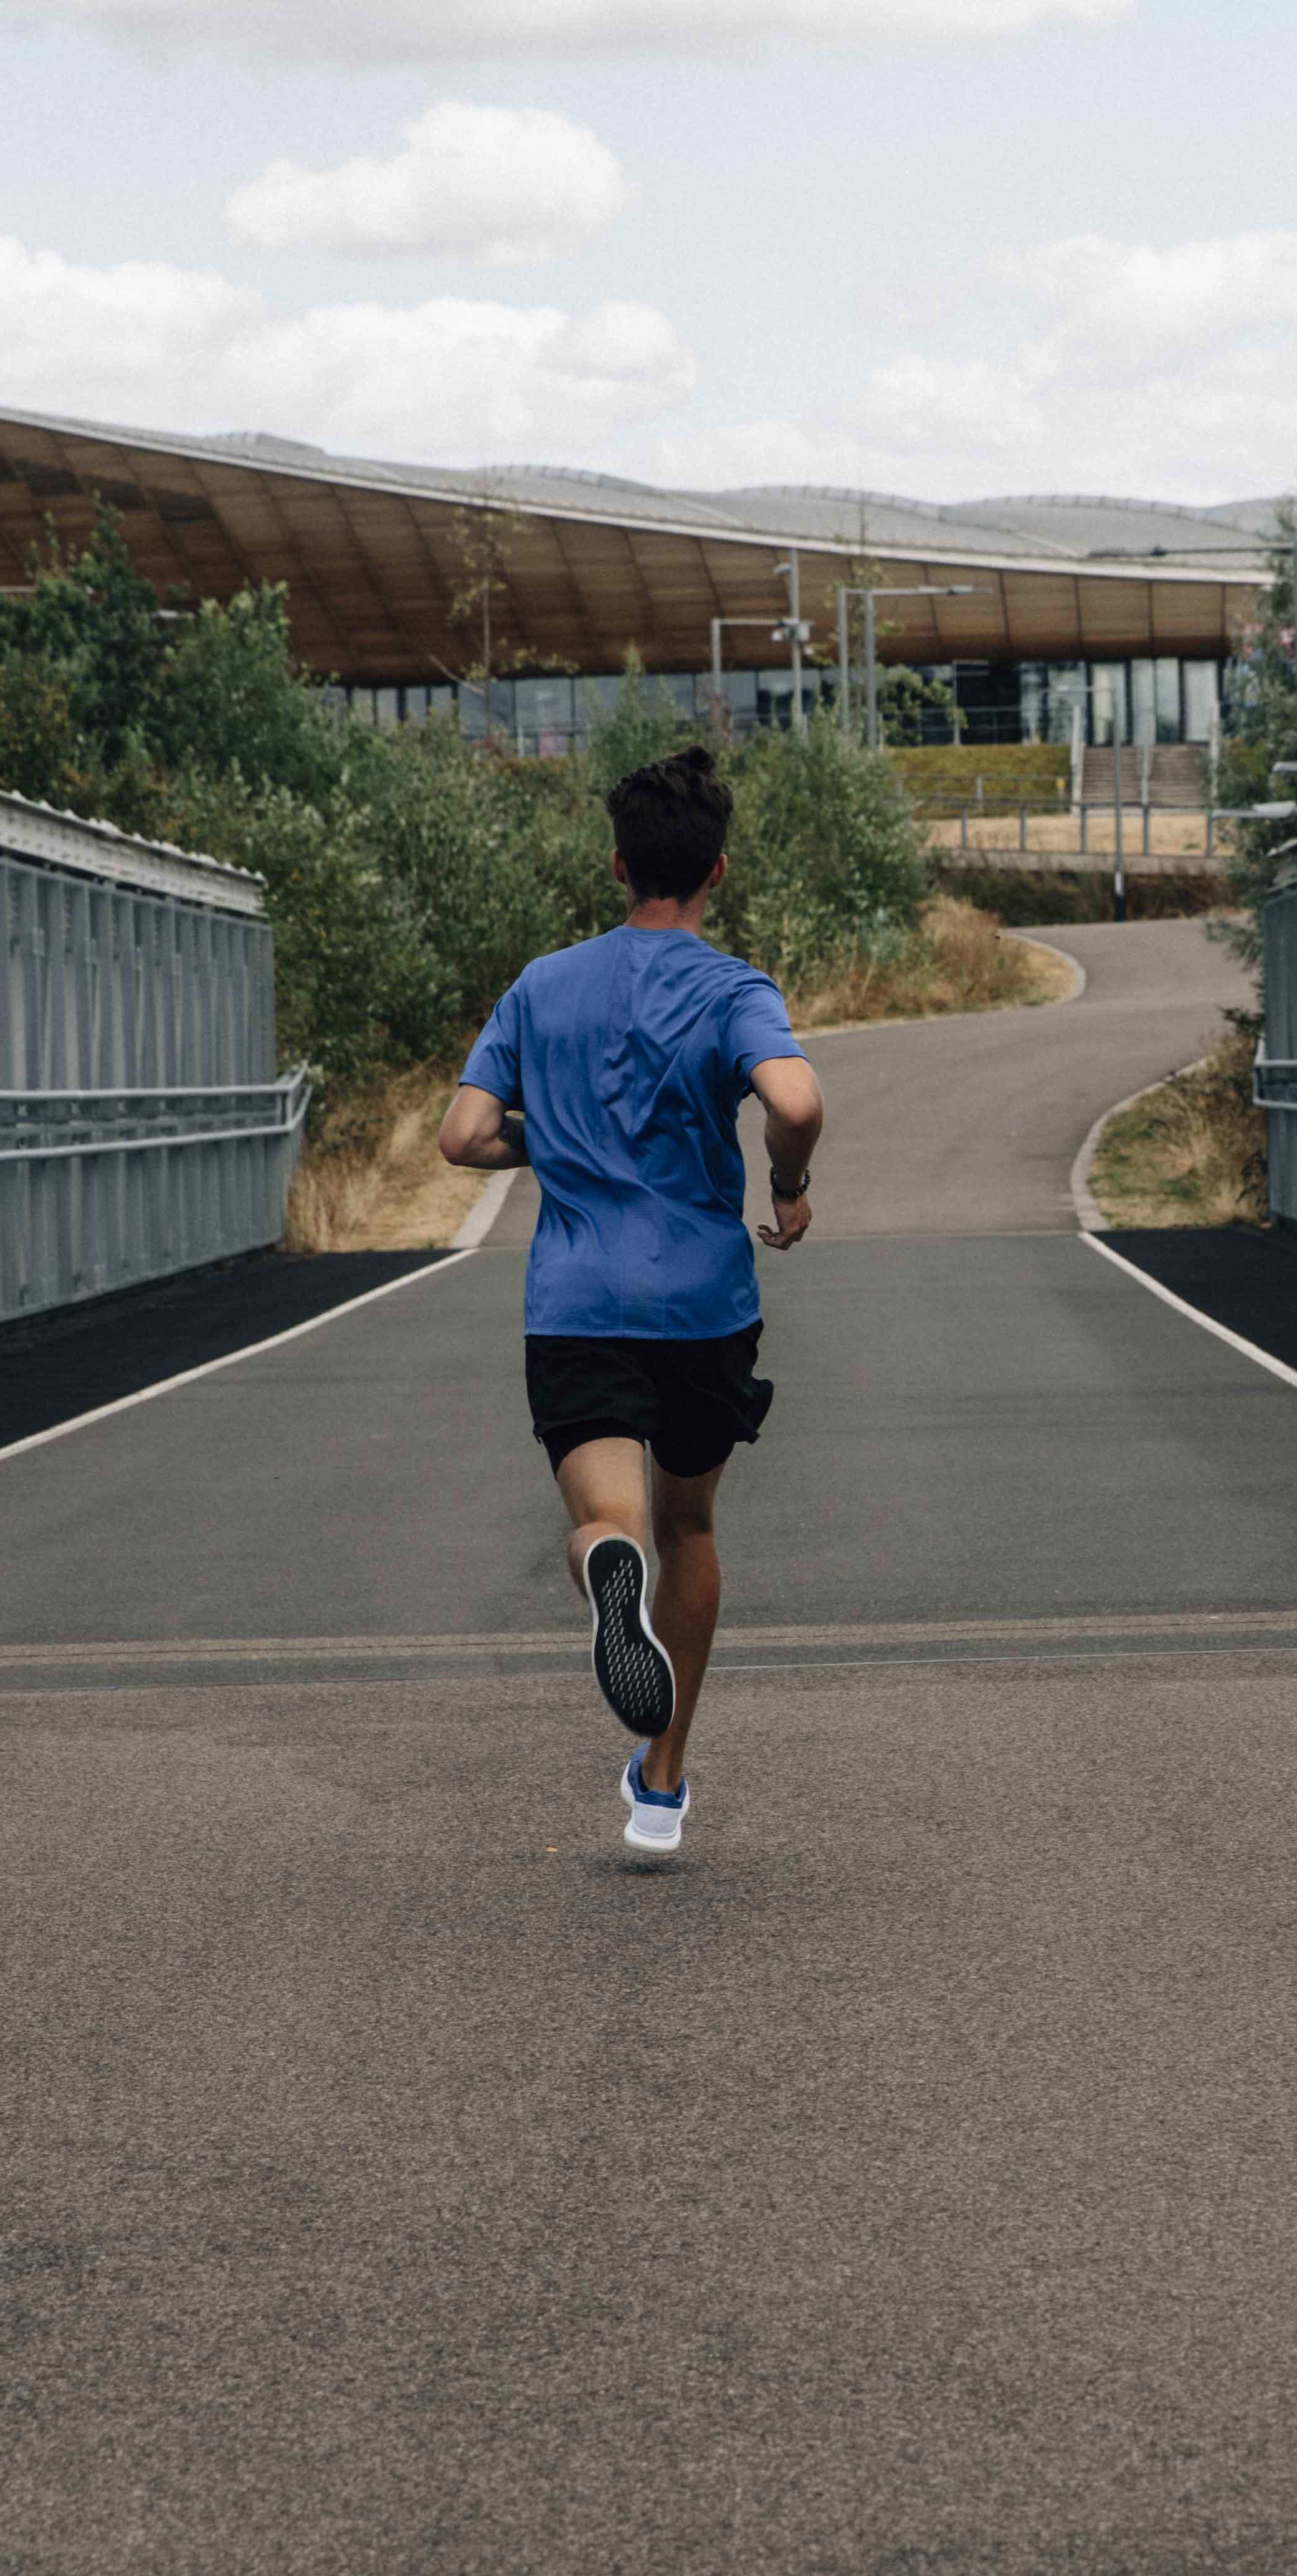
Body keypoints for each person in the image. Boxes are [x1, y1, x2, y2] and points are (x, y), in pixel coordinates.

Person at [439, 746, 824, 1858]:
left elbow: (463, 1134)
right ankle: (662, 1781)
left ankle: (611, 1574)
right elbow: (794, 1097)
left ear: (617, 864)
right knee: (692, 1521)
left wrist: (548, 1137)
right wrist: (787, 1183)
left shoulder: (541, 985)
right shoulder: (733, 988)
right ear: (715, 871)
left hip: (578, 1302)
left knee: (610, 1523)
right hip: (703, 1305)